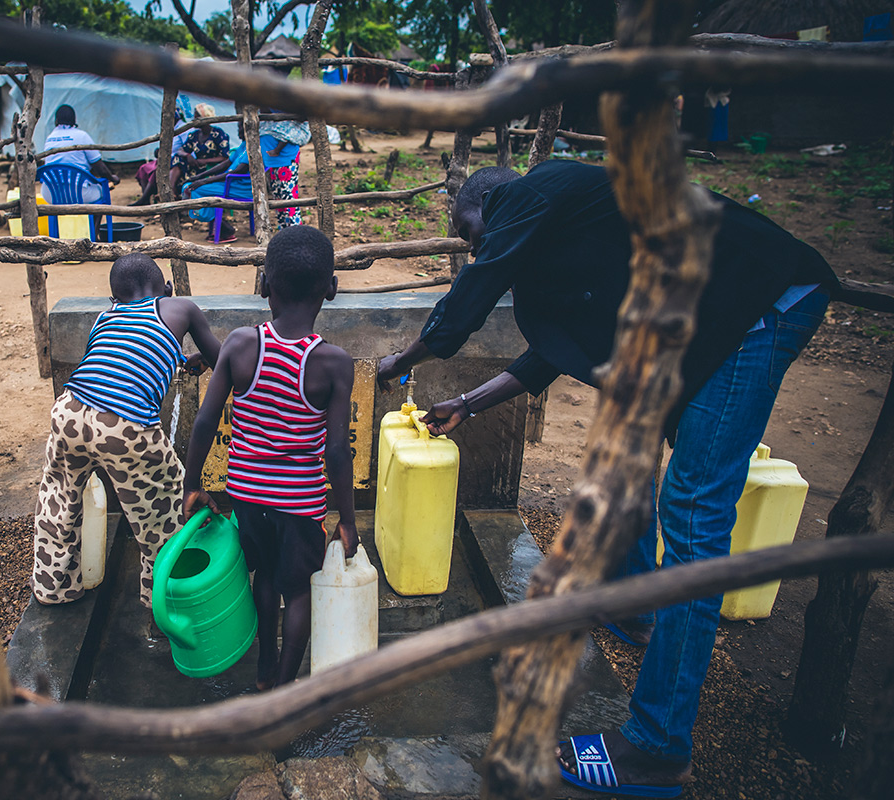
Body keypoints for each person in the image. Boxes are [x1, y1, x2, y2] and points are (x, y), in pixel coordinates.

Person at [377, 160, 837, 797]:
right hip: (706, 319)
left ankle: (657, 748)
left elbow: (463, 312)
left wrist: (402, 358)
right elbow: (552, 352)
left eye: (472, 232)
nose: (476, 247)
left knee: (695, 521)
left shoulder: (540, 187)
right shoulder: (577, 230)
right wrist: (471, 403)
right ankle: (637, 608)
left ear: (494, 199)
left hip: (752, 311)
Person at [184, 225, 357, 690]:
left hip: (246, 492)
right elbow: (337, 452)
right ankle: (282, 684)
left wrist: (192, 485)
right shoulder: (334, 364)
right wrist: (348, 518)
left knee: (262, 575)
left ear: (264, 285)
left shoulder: (241, 345)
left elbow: (204, 423)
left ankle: (264, 666)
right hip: (299, 504)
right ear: (332, 288)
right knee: (296, 591)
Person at [33, 253, 220, 610]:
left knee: (59, 500)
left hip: (69, 411)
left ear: (113, 300)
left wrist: (182, 361)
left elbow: (117, 364)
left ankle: (53, 587)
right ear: (166, 288)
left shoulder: (103, 319)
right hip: (124, 425)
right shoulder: (180, 308)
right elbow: (223, 359)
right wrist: (207, 358)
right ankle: (165, 601)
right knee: (163, 509)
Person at [182, 132, 300, 242]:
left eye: (240, 126)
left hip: (240, 187)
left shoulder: (254, 148)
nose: (238, 130)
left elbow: (237, 171)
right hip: (229, 184)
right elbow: (226, 163)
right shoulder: (244, 145)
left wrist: (204, 181)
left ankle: (223, 227)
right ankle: (218, 225)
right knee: (188, 186)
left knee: (194, 189)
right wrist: (199, 177)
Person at [42, 104, 120, 201]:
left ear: (56, 121)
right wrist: (112, 178)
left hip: (51, 194)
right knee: (102, 190)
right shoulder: (82, 136)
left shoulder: (50, 138)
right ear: (74, 120)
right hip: (79, 193)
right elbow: (100, 168)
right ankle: (94, 217)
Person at [259, 110, 310, 228]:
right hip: (273, 160)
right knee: (278, 195)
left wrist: (277, 149)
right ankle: (284, 229)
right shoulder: (272, 107)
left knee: (288, 194)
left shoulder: (290, 107)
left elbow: (295, 127)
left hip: (286, 156)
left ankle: (295, 230)